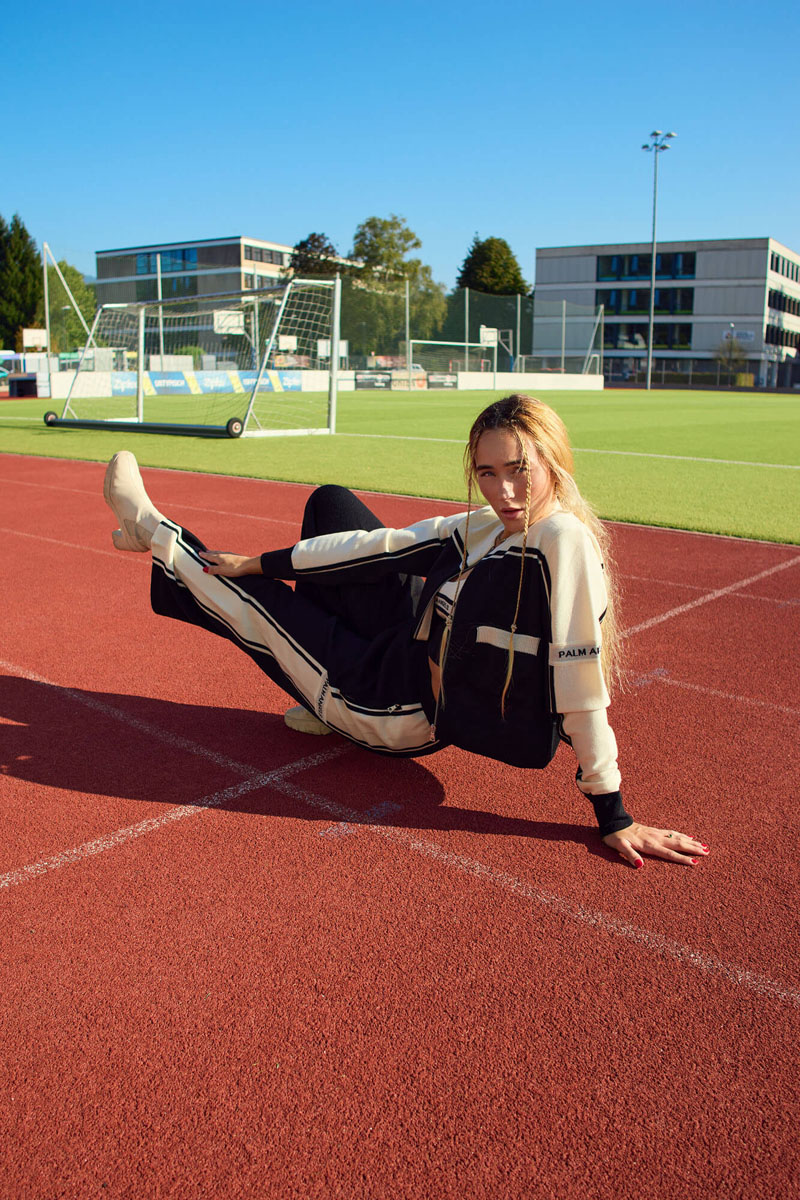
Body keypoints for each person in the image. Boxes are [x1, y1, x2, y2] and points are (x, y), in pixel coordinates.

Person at [103, 394, 709, 870]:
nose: (503, 491)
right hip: (405, 643)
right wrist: (261, 559)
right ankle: (309, 696)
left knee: (258, 610)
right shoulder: (486, 526)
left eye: (519, 470)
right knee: (333, 506)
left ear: (554, 463)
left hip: (392, 707)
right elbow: (379, 547)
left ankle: (153, 531)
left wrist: (615, 815)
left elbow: (580, 690)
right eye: (487, 473)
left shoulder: (561, 543)